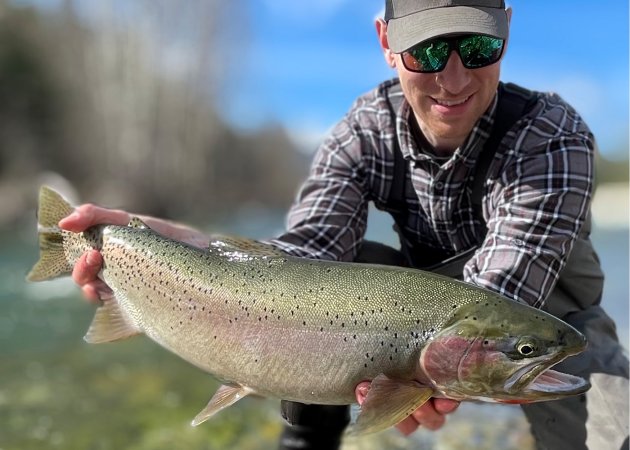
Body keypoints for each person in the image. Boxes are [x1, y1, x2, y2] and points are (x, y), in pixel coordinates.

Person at [60, 1, 628, 449]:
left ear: (506, 33)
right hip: (428, 327)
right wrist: (167, 245)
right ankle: (305, 438)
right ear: (387, 43)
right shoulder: (362, 130)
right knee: (322, 290)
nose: (453, 80)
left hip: (544, 321)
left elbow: (501, 294)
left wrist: (420, 382)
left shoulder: (552, 135)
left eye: (478, 48)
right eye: (427, 52)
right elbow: (299, 257)